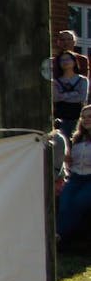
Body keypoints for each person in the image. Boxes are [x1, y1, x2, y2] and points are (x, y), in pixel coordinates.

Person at [58, 105, 91, 244]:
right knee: (64, 202)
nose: (86, 120)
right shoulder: (77, 139)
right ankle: (60, 236)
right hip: (76, 177)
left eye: (90, 117)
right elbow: (71, 162)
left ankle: (62, 237)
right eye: (83, 117)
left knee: (79, 202)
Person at [52, 49, 88, 129]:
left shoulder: (82, 80)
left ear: (74, 61)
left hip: (76, 116)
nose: (65, 62)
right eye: (62, 60)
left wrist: (63, 95)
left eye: (68, 59)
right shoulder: (56, 81)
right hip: (60, 117)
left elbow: (81, 98)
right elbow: (56, 98)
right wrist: (74, 93)